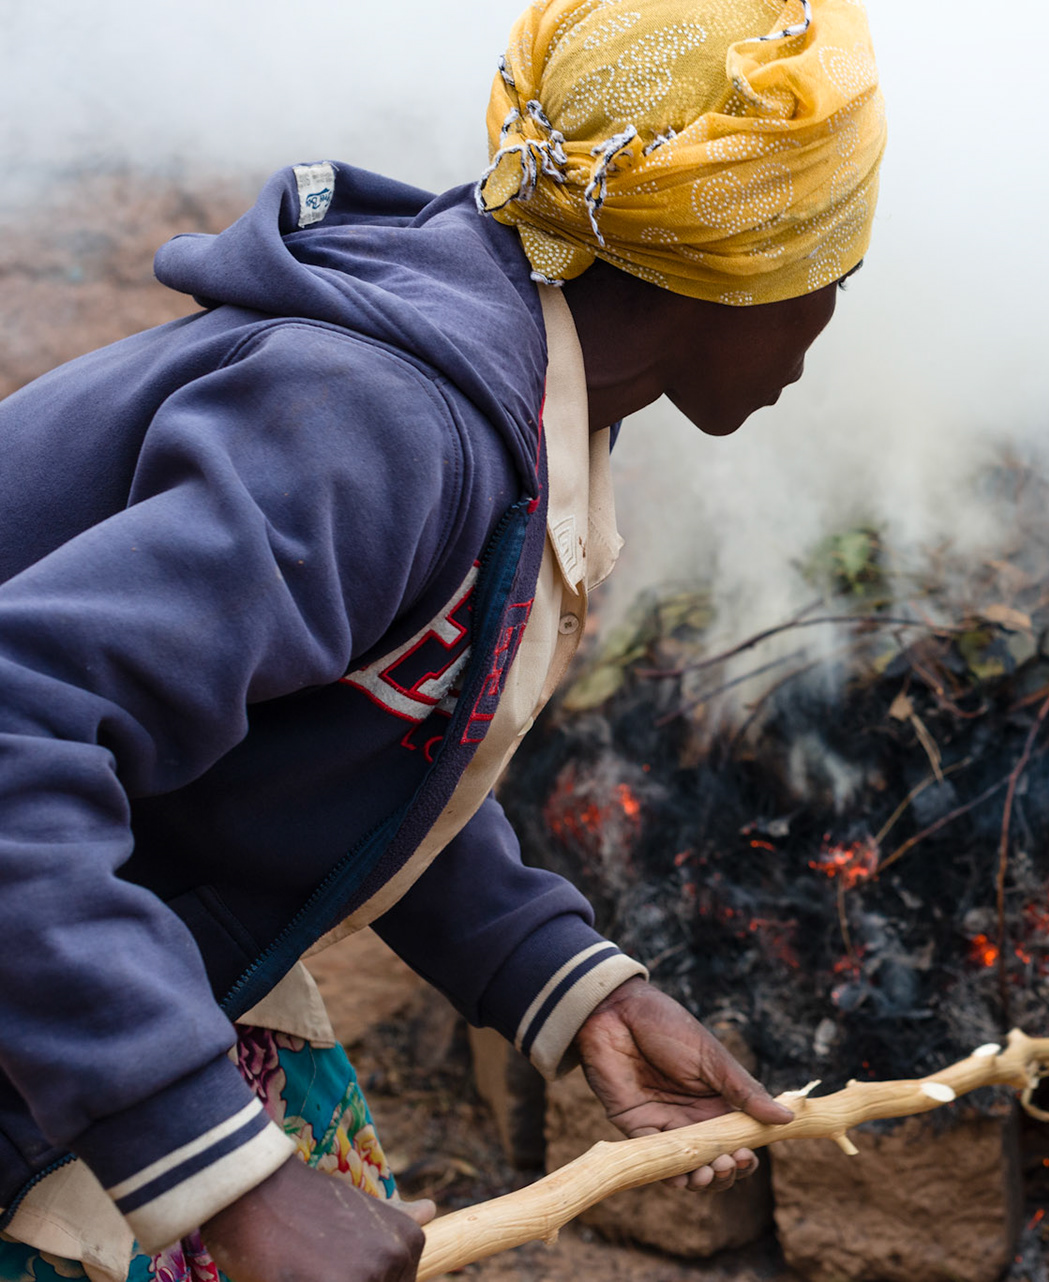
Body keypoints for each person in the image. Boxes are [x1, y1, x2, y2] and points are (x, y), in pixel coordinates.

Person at [0, 3, 885, 1281]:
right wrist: (232, 1177)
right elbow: (19, 726)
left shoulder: (519, 390)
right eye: (832, 272)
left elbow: (355, 724)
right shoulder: (385, 429)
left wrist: (559, 973)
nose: (830, 316)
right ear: (734, 268)